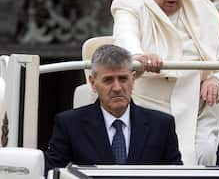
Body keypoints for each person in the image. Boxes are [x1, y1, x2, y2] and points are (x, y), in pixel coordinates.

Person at [111, 0, 219, 165]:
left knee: (207, 153)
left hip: (200, 108)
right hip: (152, 106)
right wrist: (138, 56)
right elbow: (125, 37)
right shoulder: (129, 4)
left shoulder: (202, 7)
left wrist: (216, 78)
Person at [44, 45, 182, 173]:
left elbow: (177, 175)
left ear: (133, 79)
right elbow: (53, 173)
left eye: (123, 79)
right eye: (108, 80)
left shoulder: (162, 125)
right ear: (93, 83)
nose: (117, 88)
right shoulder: (69, 125)